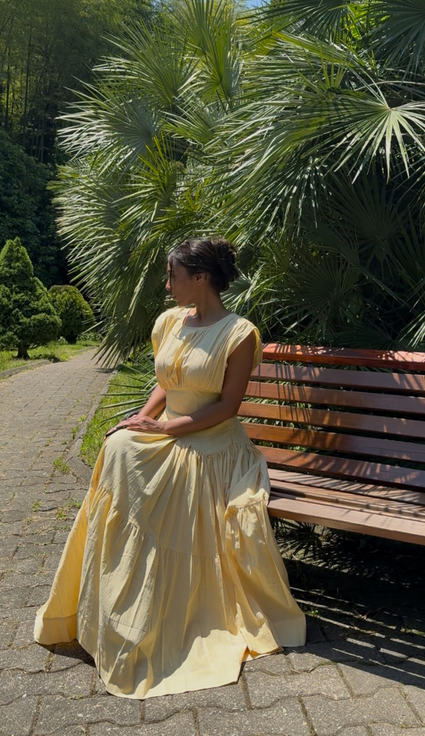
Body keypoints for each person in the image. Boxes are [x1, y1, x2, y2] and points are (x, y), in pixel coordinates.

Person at [34, 237, 306, 699]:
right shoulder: (169, 322)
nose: (167, 286)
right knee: (118, 446)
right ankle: (112, 594)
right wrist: (141, 419)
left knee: (141, 464)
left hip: (214, 442)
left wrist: (164, 429)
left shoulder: (239, 333)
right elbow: (166, 383)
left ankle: (160, 601)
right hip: (174, 428)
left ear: (201, 278)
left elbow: (227, 407)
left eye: (173, 277)